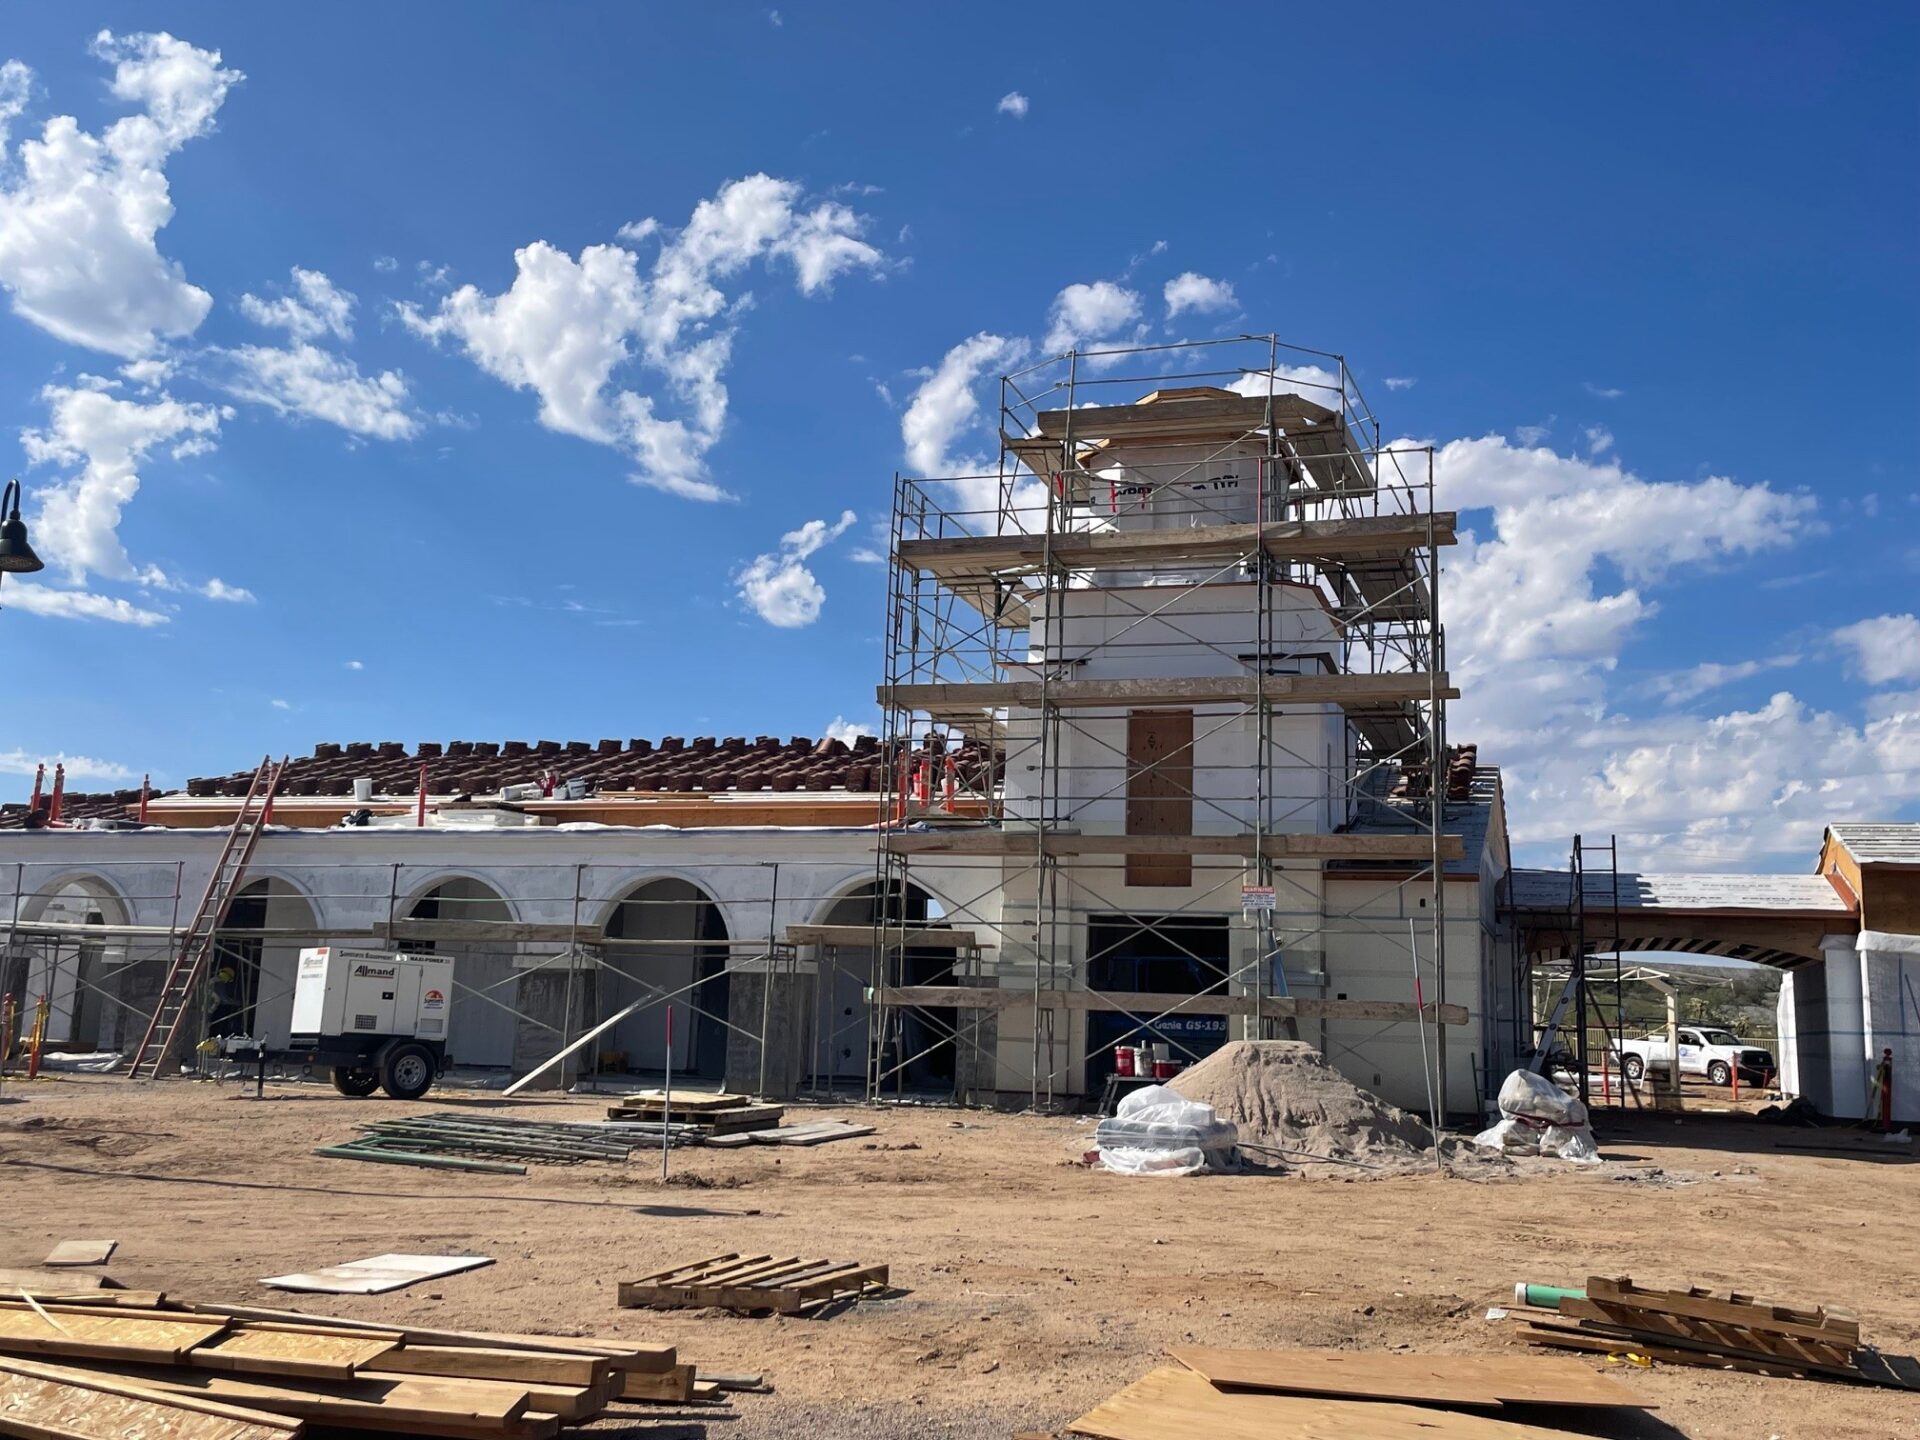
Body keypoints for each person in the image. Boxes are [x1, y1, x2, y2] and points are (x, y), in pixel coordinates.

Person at [208, 961, 242, 1039]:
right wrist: (236, 1003)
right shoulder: (219, 983)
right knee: (217, 1025)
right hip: (212, 1009)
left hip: (209, 1008)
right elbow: (223, 999)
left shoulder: (212, 980)